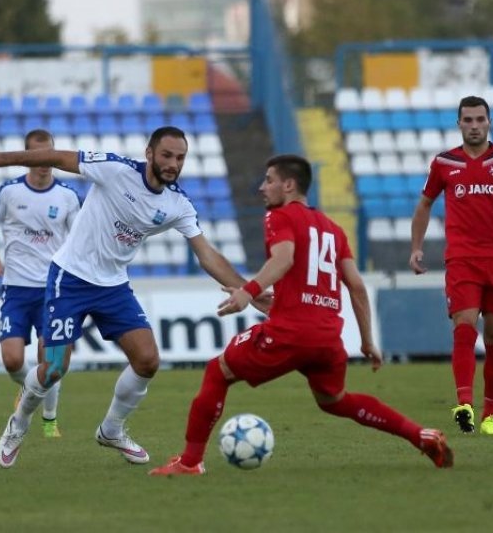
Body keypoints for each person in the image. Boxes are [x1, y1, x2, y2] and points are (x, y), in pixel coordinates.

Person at [0, 125, 265, 469]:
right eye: (166, 155)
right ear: (149, 153)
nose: (173, 164)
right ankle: (18, 424)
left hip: (113, 286)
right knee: (55, 368)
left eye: (180, 158)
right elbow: (55, 156)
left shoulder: (177, 204)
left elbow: (206, 252)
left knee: (148, 360)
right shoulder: (115, 169)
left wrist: (249, 290)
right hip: (70, 278)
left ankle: (112, 429)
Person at [149, 154, 453, 476]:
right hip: (327, 338)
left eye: (269, 180)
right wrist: (367, 342)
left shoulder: (280, 217)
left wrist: (247, 293)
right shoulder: (334, 230)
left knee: (217, 371)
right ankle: (421, 435)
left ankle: (190, 462)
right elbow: (357, 287)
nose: (262, 188)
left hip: (290, 334)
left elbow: (284, 260)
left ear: (289, 185)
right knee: (335, 400)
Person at [409, 96, 493, 436]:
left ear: (489, 122)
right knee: (464, 325)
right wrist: (416, 248)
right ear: (459, 124)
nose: (473, 125)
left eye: (479, 119)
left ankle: (490, 417)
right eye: (467, 120)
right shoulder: (444, 163)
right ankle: (464, 406)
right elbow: (424, 205)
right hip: (463, 259)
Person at [0, 128, 81, 439]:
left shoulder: (67, 196)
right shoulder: (9, 192)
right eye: (37, 155)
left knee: (48, 361)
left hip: (54, 290)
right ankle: (27, 387)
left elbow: (80, 240)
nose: (44, 160)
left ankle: (49, 419)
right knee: (12, 360)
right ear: (27, 157)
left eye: (48, 152)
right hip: (17, 288)